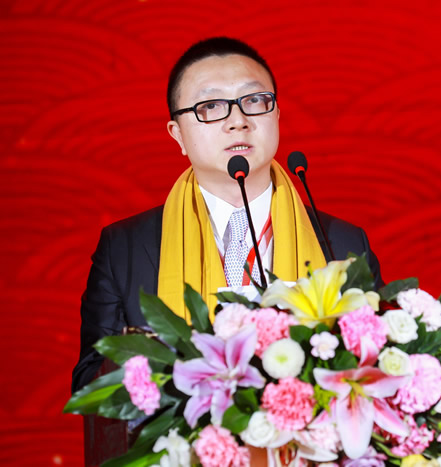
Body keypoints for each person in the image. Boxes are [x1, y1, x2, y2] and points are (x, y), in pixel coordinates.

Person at [72, 37, 382, 393]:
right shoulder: (126, 248)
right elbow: (92, 385)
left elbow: (378, 364)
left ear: (277, 116)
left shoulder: (342, 243)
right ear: (178, 135)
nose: (238, 120)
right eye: (210, 106)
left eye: (254, 101)